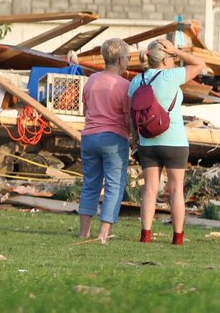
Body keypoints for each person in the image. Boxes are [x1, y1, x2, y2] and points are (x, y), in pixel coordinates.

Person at [128, 38, 205, 245]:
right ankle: (178, 238)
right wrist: (178, 50)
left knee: (150, 189)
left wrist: (135, 140)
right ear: (164, 60)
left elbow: (131, 114)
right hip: (174, 142)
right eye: (171, 57)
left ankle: (146, 235)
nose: (174, 60)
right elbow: (200, 64)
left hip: (148, 143)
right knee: (176, 190)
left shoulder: (137, 81)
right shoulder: (171, 76)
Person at [77, 38, 133, 243]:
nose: (129, 61)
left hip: (90, 136)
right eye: (128, 57)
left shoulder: (92, 80)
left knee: (90, 184)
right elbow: (127, 118)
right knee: (114, 185)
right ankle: (103, 233)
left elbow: (86, 109)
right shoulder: (125, 85)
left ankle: (84, 232)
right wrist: (133, 137)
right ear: (120, 60)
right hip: (114, 139)